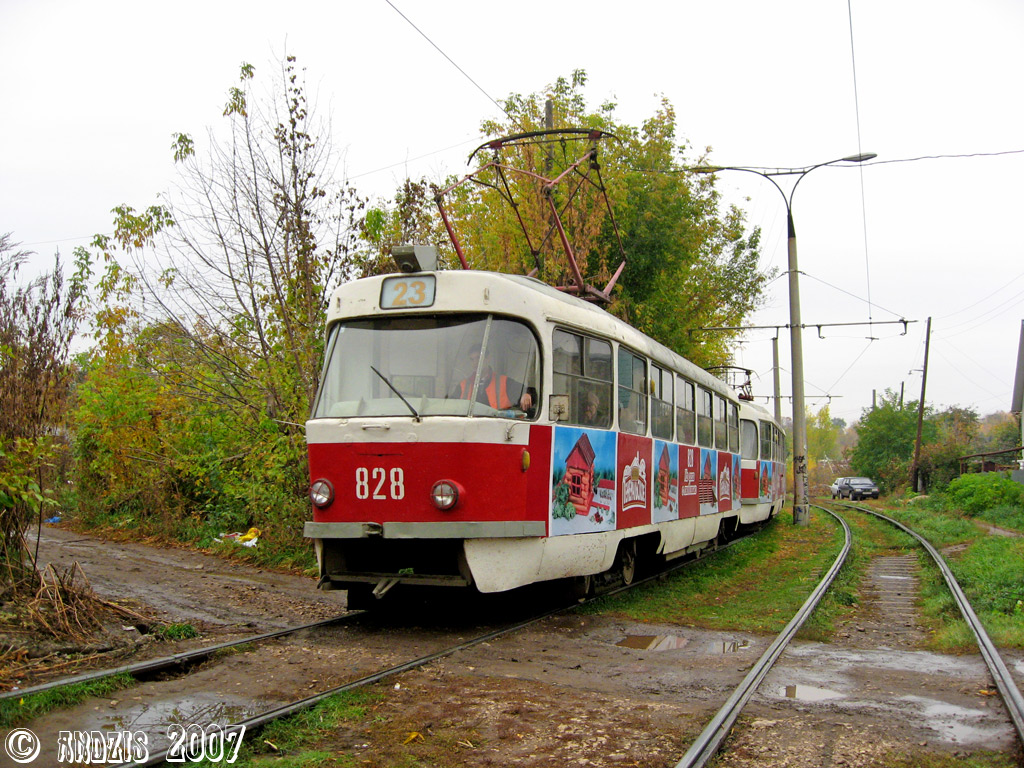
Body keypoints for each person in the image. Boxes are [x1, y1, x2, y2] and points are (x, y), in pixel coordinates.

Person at [455, 345, 534, 412]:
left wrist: (527, 394)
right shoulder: (463, 385)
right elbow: (450, 404)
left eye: (478, 358)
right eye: (472, 359)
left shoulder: (504, 382)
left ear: (488, 358)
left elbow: (527, 391)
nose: (475, 363)